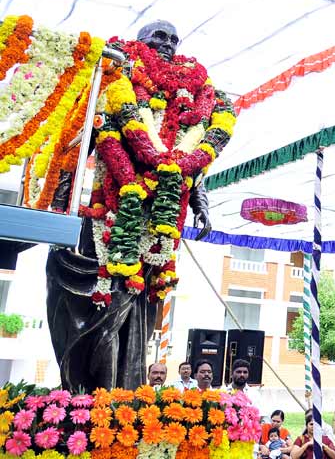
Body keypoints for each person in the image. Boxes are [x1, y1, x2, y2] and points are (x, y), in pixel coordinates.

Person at [44, 20, 217, 391]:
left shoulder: (188, 95)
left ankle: (127, 391)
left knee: (141, 305)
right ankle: (90, 392)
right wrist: (59, 198)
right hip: (108, 210)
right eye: (159, 36)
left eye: (174, 38)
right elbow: (82, 137)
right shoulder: (115, 73)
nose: (168, 43)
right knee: (102, 298)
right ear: (141, 40)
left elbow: (193, 158)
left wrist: (200, 198)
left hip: (158, 222)